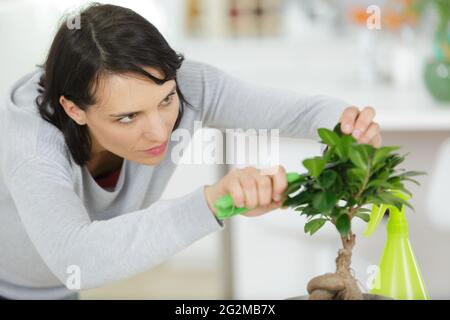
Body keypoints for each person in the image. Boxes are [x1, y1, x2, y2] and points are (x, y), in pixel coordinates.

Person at [0, 3, 381, 300]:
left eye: (166, 100)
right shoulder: (32, 145)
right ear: (73, 109)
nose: (160, 129)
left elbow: (303, 114)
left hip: (62, 285)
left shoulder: (185, 87)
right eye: (128, 117)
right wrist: (211, 205)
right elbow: (76, 256)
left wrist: (348, 127)